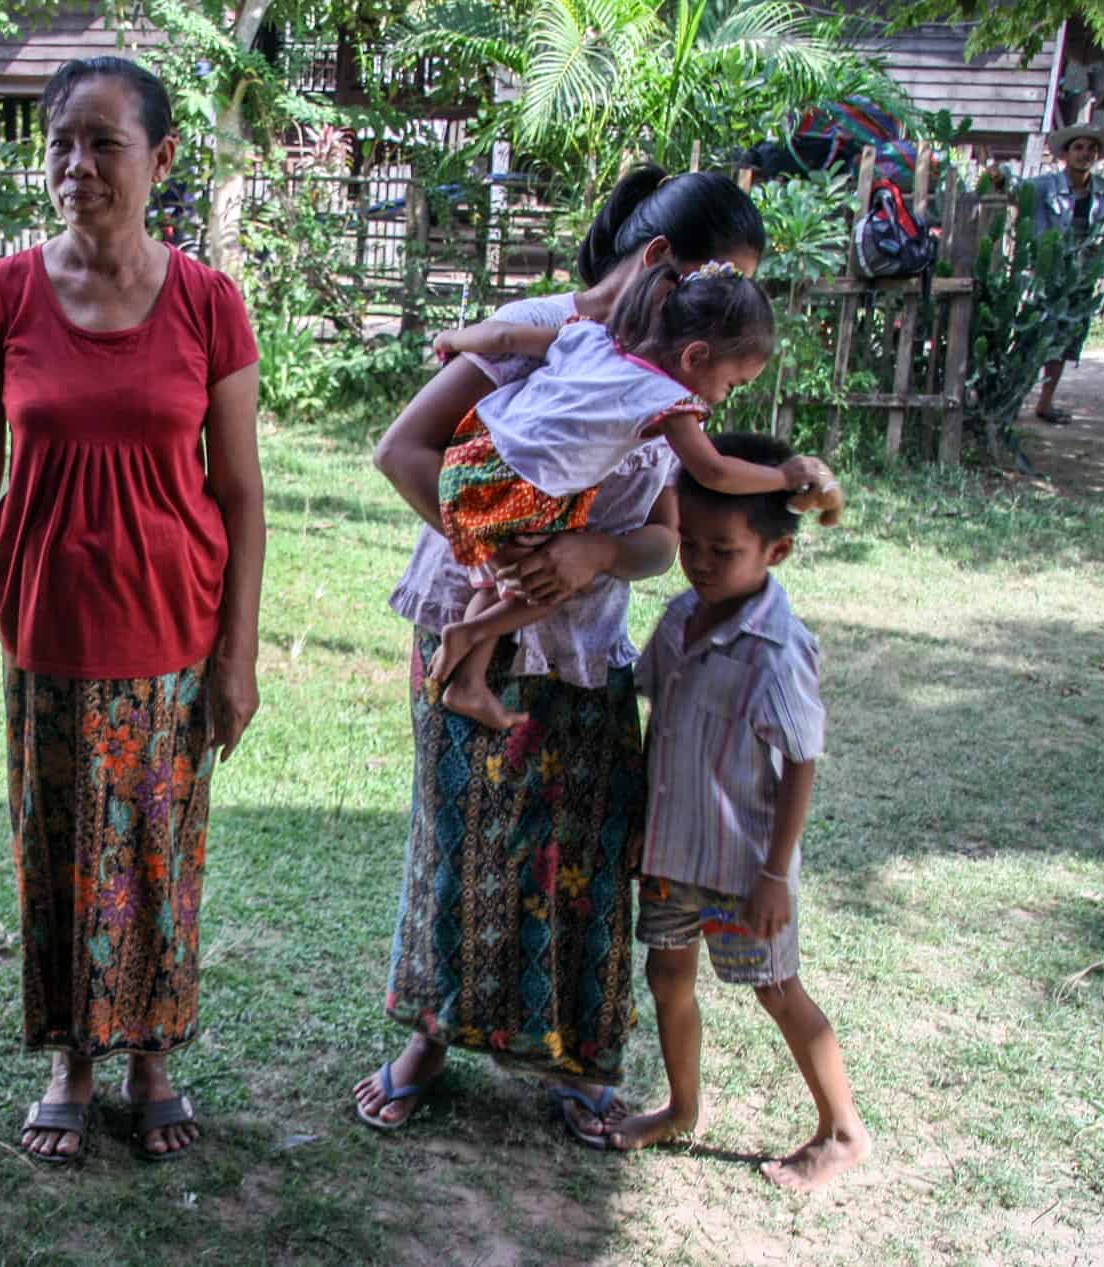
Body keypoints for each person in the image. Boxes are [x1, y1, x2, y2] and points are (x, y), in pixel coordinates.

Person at [352, 166, 763, 1144]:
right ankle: (430, 1038)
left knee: (576, 854)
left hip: (581, 645)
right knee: (460, 841)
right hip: (474, 614)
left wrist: (596, 553)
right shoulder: (548, 325)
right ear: (660, 261)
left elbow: (663, 535)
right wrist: (503, 559)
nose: (726, 301)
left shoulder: (674, 380)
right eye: (718, 274)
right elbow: (403, 452)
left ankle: (580, 1056)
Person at [0, 56, 263, 1163]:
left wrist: (238, 655)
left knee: (158, 861)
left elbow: (239, 494)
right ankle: (72, 1059)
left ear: (161, 159)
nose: (77, 165)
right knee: (59, 856)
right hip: (44, 631)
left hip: (172, 637)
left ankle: (152, 1055)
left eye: (104, 143)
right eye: (60, 144)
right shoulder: (2, 296)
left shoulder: (209, 304)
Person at [612, 432, 871, 1193]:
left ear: (776, 553)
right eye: (689, 541)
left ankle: (845, 1129)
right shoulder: (682, 614)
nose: (697, 560)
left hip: (739, 867)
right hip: (670, 853)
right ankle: (681, 1107)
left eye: (721, 550)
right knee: (667, 975)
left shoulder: (778, 649)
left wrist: (774, 875)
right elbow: (649, 701)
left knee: (776, 990)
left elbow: (800, 761)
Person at [426, 261, 839, 728]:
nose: (724, 397)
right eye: (732, 384)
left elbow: (503, 339)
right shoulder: (664, 398)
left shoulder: (593, 337)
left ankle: (468, 684)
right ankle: (470, 632)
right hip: (525, 491)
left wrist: (453, 340)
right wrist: (782, 478)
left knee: (500, 577)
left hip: (471, 462)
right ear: (695, 356)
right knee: (549, 586)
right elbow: (713, 470)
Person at [1027, 123, 1104, 425]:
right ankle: (1014, 397)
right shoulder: (1045, 187)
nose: (1085, 154)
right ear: (1066, 153)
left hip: (1080, 276)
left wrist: (1102, 250)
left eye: (1091, 149)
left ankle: (1045, 403)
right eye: (1078, 148)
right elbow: (1016, 192)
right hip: (1047, 273)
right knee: (1034, 336)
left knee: (1065, 341)